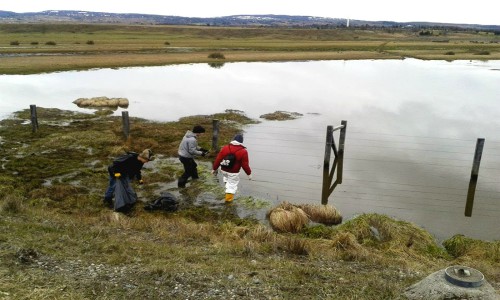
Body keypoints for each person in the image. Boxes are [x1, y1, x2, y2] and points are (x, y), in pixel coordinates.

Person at [211, 134, 252, 203]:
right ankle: (228, 201)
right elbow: (245, 165)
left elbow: (218, 159)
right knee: (232, 186)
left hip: (223, 169)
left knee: (227, 179)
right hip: (233, 172)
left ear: (233, 140)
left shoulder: (225, 147)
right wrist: (249, 174)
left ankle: (227, 187)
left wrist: (214, 168)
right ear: (241, 142)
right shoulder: (243, 151)